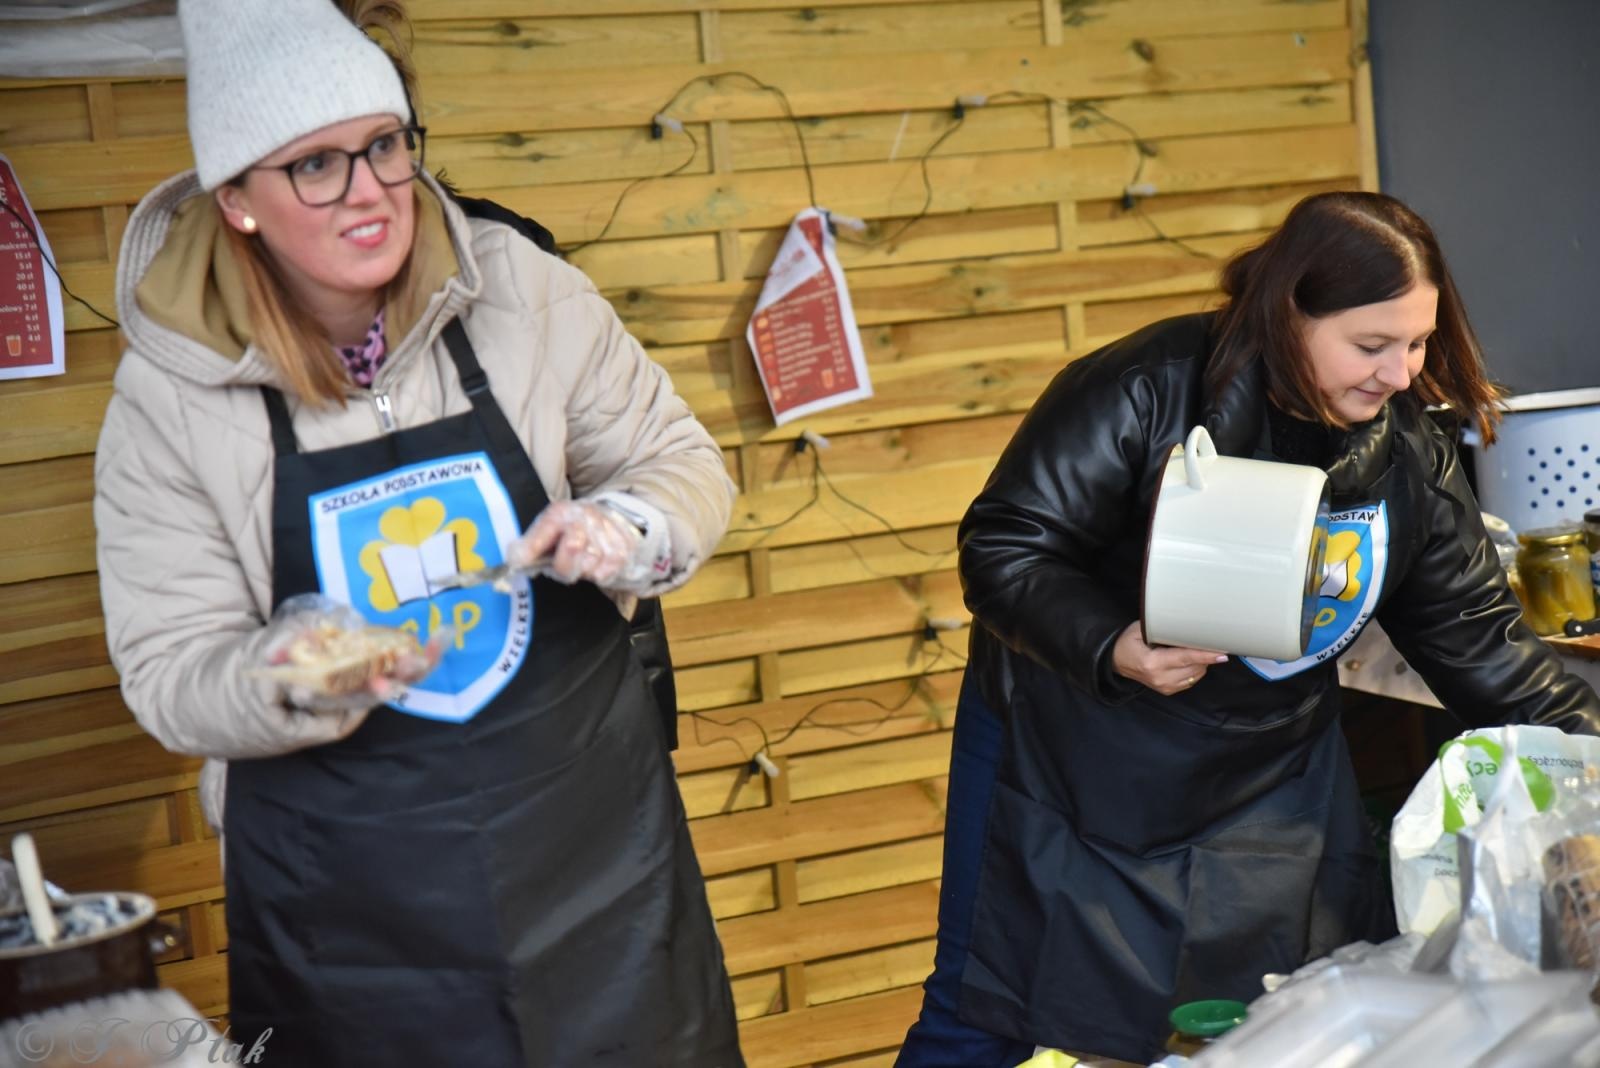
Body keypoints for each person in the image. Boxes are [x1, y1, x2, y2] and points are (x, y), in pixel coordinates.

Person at [92, 0, 743, 1063]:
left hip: (590, 858)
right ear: (238, 200)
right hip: (353, 913)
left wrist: (627, 525)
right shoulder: (170, 397)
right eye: (316, 165)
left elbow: (676, 460)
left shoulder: (519, 288)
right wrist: (299, 672)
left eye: (385, 145)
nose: (369, 193)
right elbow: (170, 672)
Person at [894, 191, 1600, 1066]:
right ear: (1287, 312)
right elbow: (1005, 546)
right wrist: (1114, 646)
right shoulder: (1146, 388)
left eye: (1417, 343)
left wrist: (1591, 751)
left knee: (1280, 1016)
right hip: (1069, 754)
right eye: (1372, 345)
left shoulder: (1407, 449)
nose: (1401, 374)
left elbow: (1481, 642)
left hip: (1270, 777)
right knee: (989, 1009)